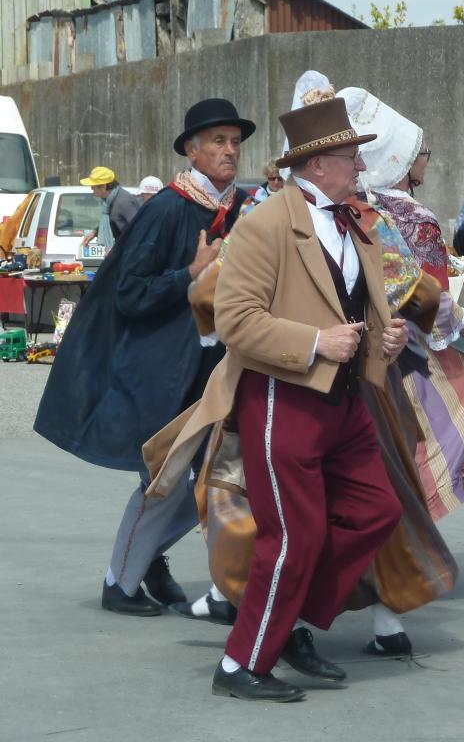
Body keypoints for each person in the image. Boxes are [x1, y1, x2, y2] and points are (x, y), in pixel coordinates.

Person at [152, 96, 405, 702]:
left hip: (343, 401)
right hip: (280, 398)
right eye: (349, 157)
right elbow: (235, 321)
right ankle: (241, 664)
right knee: (293, 537)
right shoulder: (265, 222)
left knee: (377, 510)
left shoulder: (354, 222)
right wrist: (316, 341)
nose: (359, 168)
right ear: (317, 165)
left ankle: (285, 619)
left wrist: (385, 334)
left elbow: (360, 308)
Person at [34, 98, 254, 616]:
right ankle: (120, 582)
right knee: (166, 479)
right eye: (218, 141)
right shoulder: (167, 208)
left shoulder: (240, 208)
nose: (229, 150)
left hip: (216, 366)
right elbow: (129, 293)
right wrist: (191, 275)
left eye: (235, 142)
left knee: (218, 478)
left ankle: (185, 574)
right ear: (192, 151)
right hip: (162, 371)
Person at [340, 85, 464, 520]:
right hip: (410, 346)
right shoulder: (416, 216)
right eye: (423, 151)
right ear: (404, 159)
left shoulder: (356, 207)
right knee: (427, 437)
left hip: (364, 340)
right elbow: (430, 293)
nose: (427, 160)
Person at [79, 165, 141, 250]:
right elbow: (113, 223)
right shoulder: (110, 200)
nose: (91, 188)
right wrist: (95, 232)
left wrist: (116, 251)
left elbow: (139, 229)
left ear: (104, 187)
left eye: (93, 186)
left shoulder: (124, 202)